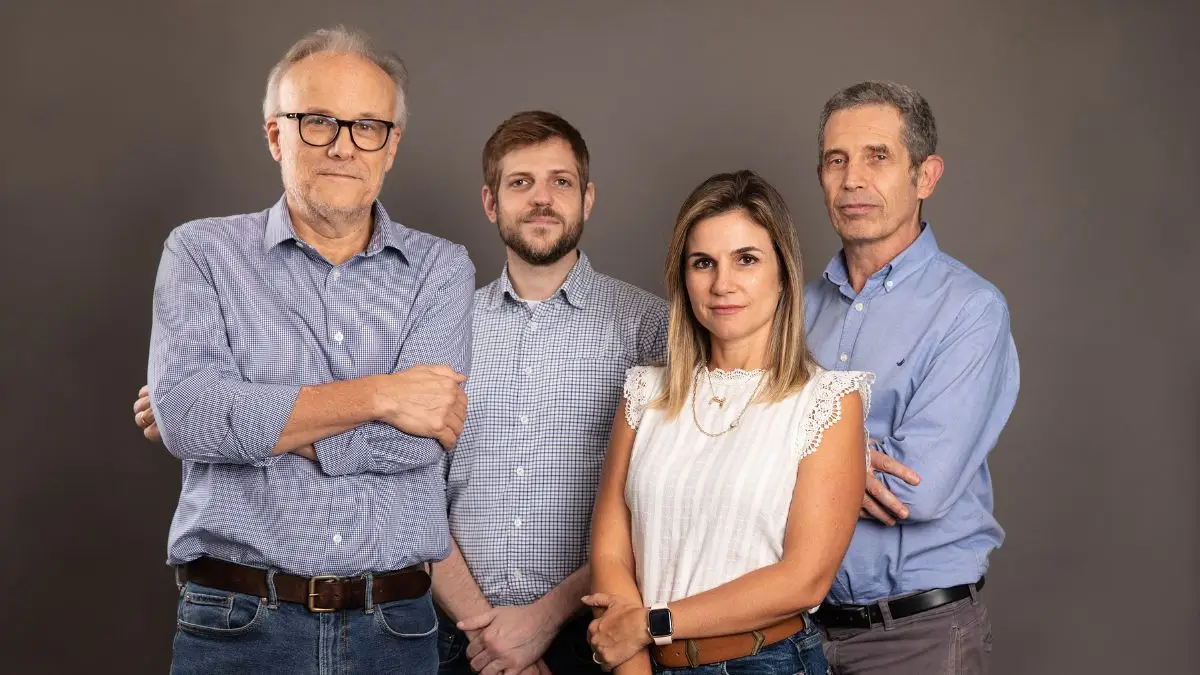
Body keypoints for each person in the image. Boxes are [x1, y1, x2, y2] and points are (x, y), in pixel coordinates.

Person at [139, 26, 473, 674]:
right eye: (318, 121)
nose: (344, 147)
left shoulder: (442, 268)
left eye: (367, 126)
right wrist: (378, 395)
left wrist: (247, 418)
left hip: (395, 631)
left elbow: (422, 437)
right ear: (275, 134)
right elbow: (189, 416)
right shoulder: (201, 253)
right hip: (236, 626)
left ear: (392, 145)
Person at [585, 170, 873, 674]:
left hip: (767, 662)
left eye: (746, 259)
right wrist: (634, 665)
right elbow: (611, 554)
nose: (723, 283)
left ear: (783, 272)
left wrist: (653, 622)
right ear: (683, 277)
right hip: (645, 665)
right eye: (703, 263)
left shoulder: (826, 402)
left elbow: (804, 579)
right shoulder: (644, 393)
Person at [431, 111, 668, 675]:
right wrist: (491, 636)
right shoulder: (443, 330)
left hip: (598, 641)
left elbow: (664, 500)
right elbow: (414, 498)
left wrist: (541, 620)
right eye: (521, 183)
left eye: (559, 182)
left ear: (587, 198)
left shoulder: (651, 330)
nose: (542, 199)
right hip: (461, 642)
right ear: (491, 203)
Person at [803, 81, 1020, 674]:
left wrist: (793, 451)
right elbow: (733, 454)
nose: (852, 180)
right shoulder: (792, 311)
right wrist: (852, 457)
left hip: (915, 635)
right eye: (836, 160)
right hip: (796, 633)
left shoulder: (971, 310)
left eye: (878, 157)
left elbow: (915, 489)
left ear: (925, 177)